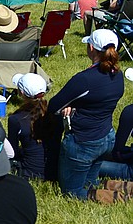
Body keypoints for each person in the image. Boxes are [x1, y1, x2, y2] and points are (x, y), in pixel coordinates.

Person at [48, 29, 124, 200]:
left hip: (84, 142)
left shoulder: (85, 79)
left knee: (72, 192)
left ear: (91, 47)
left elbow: (53, 105)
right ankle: (121, 187)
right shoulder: (117, 75)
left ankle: (117, 198)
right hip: (106, 136)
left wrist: (72, 107)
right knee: (90, 181)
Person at [9, 72, 56, 182]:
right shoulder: (53, 112)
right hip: (54, 170)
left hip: (29, 172)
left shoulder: (16, 119)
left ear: (21, 93)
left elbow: (12, 152)